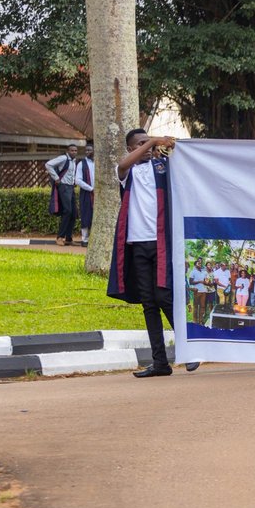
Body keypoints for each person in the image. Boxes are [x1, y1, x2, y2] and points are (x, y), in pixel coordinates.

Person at [106, 129, 200, 377]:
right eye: (140, 144)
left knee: (164, 297)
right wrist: (154, 140)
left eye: (148, 142)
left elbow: (183, 168)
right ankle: (160, 362)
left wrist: (163, 148)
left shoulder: (162, 166)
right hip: (137, 245)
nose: (146, 147)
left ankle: (190, 350)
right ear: (131, 148)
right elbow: (122, 165)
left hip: (161, 243)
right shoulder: (128, 172)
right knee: (148, 303)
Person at [46, 144, 79, 246]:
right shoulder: (63, 158)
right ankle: (60, 237)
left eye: (75, 150)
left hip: (70, 187)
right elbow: (48, 164)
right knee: (67, 211)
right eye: (72, 150)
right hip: (63, 186)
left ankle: (69, 238)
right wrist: (56, 178)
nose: (74, 152)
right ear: (67, 151)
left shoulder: (74, 161)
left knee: (74, 213)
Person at [76, 145, 95, 247]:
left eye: (90, 150)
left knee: (96, 216)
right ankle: (85, 239)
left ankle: (95, 239)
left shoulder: (99, 163)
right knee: (86, 215)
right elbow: (78, 180)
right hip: (86, 194)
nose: (88, 152)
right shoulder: (81, 164)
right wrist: (91, 188)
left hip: (99, 195)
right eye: (86, 150)